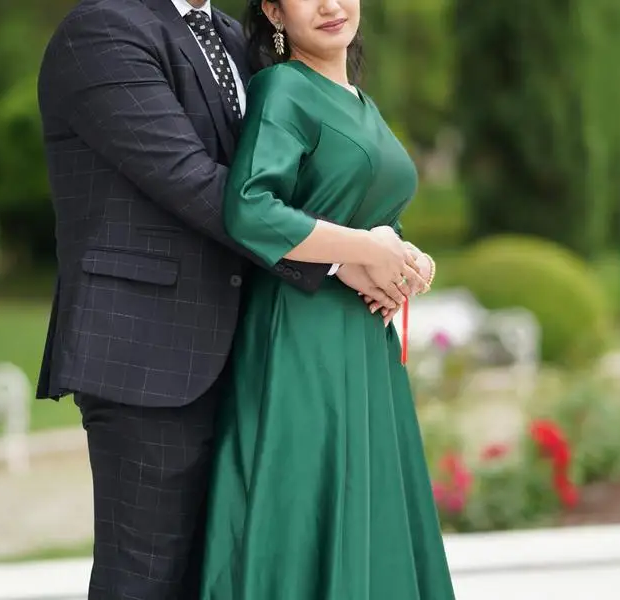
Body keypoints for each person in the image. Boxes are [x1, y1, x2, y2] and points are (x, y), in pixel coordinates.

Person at [35, 0, 424, 598]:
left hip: (257, 352)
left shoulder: (231, 37)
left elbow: (293, 173)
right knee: (147, 578)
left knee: (233, 575)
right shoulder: (101, 31)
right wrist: (344, 255)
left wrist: (382, 240)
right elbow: (192, 180)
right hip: (151, 356)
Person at [197, 0, 457, 598]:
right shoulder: (282, 89)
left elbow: (365, 214)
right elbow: (250, 208)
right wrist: (360, 251)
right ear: (273, 10)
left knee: (367, 513)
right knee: (308, 508)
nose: (331, 5)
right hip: (302, 335)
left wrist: (402, 257)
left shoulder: (363, 104)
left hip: (363, 342)